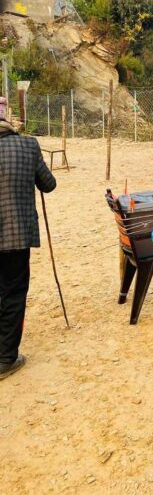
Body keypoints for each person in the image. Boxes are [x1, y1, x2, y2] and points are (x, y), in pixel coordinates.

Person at [0, 112, 57, 379]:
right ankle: (5, 358)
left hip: (13, 235)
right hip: (15, 235)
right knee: (13, 293)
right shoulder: (28, 145)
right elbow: (49, 184)